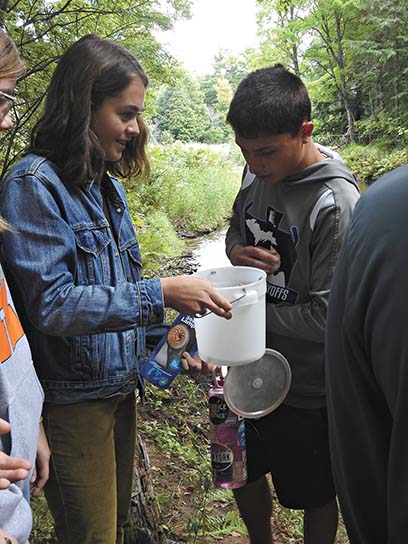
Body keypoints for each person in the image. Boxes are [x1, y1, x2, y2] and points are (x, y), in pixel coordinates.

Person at [0, 34, 231, 544]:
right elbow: (51, 305)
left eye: (138, 115)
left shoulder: (108, 188)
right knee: (93, 535)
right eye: (126, 113)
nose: (135, 128)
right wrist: (159, 292)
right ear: (85, 106)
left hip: (119, 392)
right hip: (71, 404)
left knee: (117, 528)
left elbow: (115, 295)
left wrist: (170, 343)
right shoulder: (33, 184)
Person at [224, 64, 360, 544]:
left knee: (314, 491)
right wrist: (236, 251)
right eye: (245, 151)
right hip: (246, 365)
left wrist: (245, 313)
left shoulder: (335, 203)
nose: (255, 164)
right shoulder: (253, 170)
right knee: (243, 472)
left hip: (307, 384)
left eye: (266, 152)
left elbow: (327, 317)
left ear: (305, 131)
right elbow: (235, 228)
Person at [326, 164, 408, 543]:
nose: (257, 165)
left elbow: (359, 432)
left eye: (266, 151)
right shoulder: (383, 209)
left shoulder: (364, 204)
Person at [0, 28, 50, 544]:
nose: (9, 119)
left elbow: (9, 328)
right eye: (3, 99)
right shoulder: (30, 183)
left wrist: (31, 417)